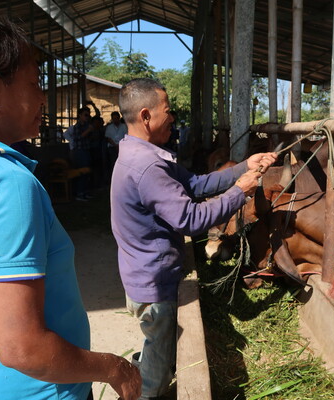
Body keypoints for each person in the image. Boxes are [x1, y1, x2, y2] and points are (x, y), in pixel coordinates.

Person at [0, 17, 141, 400]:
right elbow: (22, 347)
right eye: (35, 83)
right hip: (42, 391)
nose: (44, 98)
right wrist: (114, 367)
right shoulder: (11, 184)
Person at [110, 78, 277, 400]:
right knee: (157, 372)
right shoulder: (146, 166)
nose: (173, 118)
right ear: (146, 116)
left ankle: (141, 373)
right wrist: (239, 192)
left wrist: (244, 166)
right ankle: (143, 391)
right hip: (154, 282)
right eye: (168, 111)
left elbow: (195, 184)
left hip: (146, 272)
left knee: (158, 344)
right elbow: (190, 219)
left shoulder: (147, 155)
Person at [64, 106, 93, 201]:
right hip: (79, 151)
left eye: (88, 115)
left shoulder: (87, 125)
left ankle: (85, 192)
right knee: (80, 171)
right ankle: (79, 193)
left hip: (86, 150)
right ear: (80, 115)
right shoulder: (77, 126)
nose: (87, 117)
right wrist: (88, 131)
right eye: (85, 115)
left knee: (86, 172)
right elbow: (77, 138)